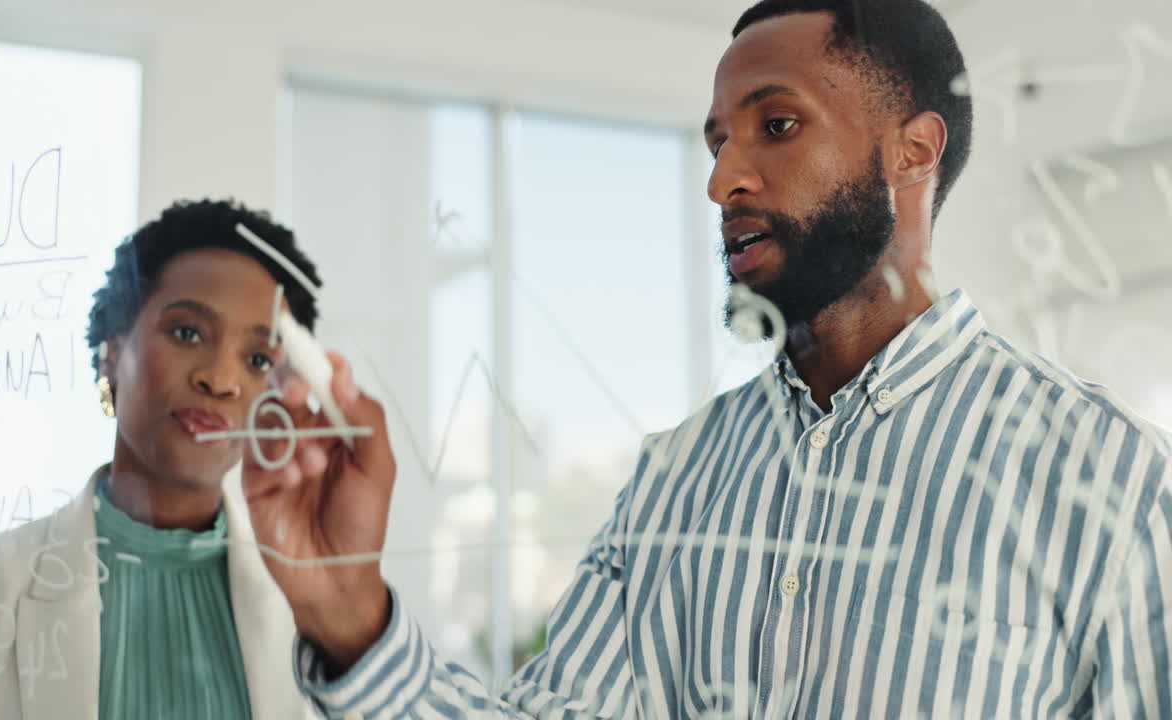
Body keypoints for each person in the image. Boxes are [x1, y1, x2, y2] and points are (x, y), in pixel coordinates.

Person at [240, 0, 1172, 718]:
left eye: (776, 126)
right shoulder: (674, 481)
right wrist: (349, 615)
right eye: (718, 140)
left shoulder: (1110, 479)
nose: (723, 179)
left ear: (912, 151)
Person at [0, 199, 326, 719]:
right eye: (187, 333)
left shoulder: (323, 622)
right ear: (112, 353)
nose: (221, 379)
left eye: (258, 360)